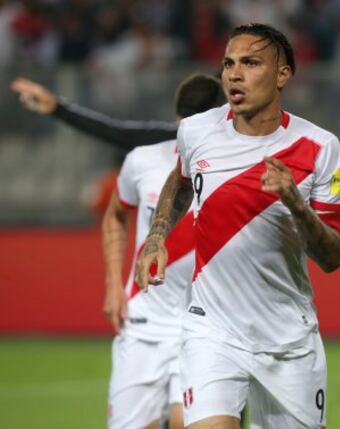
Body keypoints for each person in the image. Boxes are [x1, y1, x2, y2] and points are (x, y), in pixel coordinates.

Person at [136, 23, 340, 429]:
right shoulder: (196, 131)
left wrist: (294, 202)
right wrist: (156, 236)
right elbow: (180, 180)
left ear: (282, 74)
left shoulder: (320, 148)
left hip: (288, 341)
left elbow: (333, 257)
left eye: (251, 63)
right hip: (211, 329)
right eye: (229, 64)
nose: (235, 74)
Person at [102, 73, 225, 429]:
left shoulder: (235, 170)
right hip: (144, 325)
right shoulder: (141, 160)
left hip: (202, 330)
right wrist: (113, 283)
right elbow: (114, 216)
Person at [10, 77, 178, 151]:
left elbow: (118, 133)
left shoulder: (189, 137)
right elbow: (118, 133)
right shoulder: (181, 137)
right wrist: (58, 109)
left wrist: (58, 109)